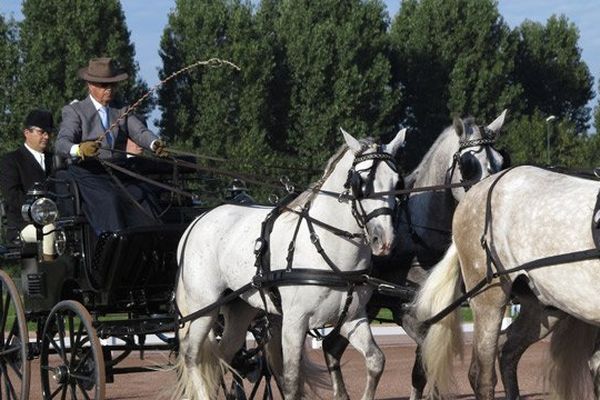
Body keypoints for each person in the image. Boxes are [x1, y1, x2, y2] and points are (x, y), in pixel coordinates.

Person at [55, 57, 166, 234]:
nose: (109, 89)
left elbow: (139, 132)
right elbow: (61, 143)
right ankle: (113, 249)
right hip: (89, 173)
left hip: (119, 171)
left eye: (112, 85)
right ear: (90, 85)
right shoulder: (75, 111)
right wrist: (79, 149)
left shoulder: (121, 109)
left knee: (144, 196)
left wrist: (154, 143)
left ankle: (150, 245)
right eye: (103, 85)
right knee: (110, 200)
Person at [0, 109, 56, 260]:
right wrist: (41, 212)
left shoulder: (56, 159)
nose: (46, 137)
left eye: (49, 132)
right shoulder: (11, 160)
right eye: (42, 132)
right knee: (49, 230)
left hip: (57, 219)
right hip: (23, 225)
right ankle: (51, 275)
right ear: (27, 132)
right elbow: (12, 196)